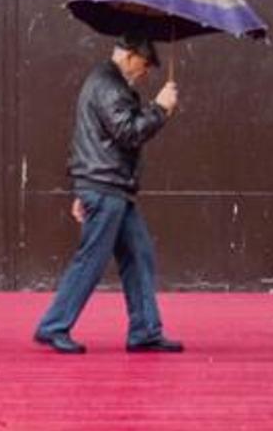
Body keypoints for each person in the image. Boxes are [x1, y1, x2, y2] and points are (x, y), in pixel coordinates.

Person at [33, 33, 183, 354]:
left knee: (138, 254)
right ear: (130, 56)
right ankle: (53, 326)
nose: (145, 73)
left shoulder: (105, 82)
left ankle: (144, 330)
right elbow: (128, 132)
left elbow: (90, 137)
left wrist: (80, 188)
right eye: (145, 64)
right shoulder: (109, 85)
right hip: (107, 187)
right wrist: (159, 108)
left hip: (108, 186)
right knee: (92, 259)